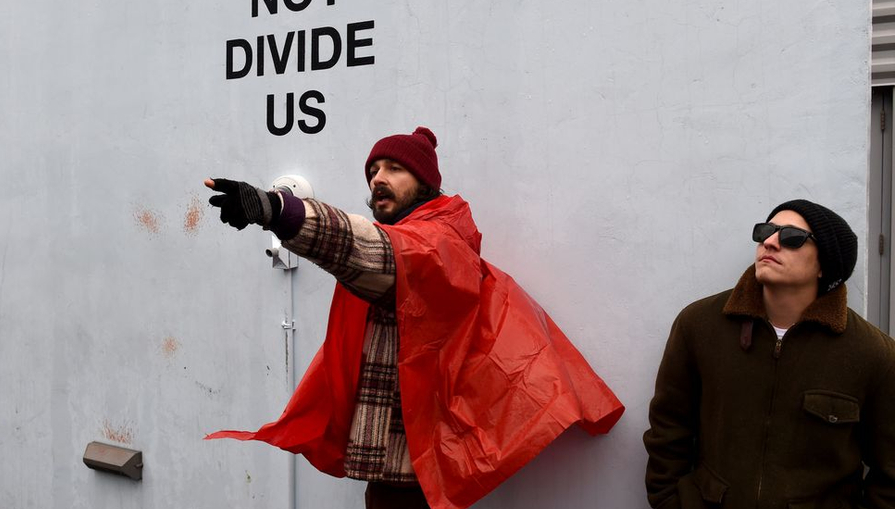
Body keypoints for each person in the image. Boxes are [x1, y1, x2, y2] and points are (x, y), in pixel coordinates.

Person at [203, 127, 624, 509]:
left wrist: (277, 210)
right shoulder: (411, 238)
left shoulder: (439, 244)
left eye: (395, 168)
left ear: (424, 183)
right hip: (391, 469)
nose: (378, 179)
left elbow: (369, 251)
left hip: (417, 472)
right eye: (373, 170)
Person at [643, 199, 895, 509]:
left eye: (791, 237)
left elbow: (890, 470)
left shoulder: (872, 353)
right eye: (766, 231)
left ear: (824, 264)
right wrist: (669, 501)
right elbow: (669, 428)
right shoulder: (699, 325)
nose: (770, 241)